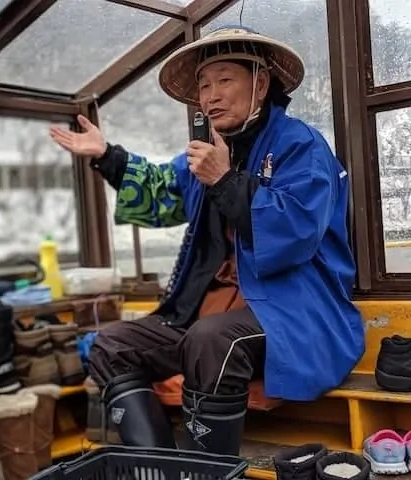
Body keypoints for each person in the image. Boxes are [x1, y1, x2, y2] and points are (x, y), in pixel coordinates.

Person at [48, 26, 365, 456]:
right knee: (112, 344)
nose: (210, 95)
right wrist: (108, 155)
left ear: (260, 83)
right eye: (203, 84)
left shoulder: (300, 146)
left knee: (212, 338)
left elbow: (297, 233)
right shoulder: (204, 152)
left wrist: (225, 179)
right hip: (207, 311)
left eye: (224, 80)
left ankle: (208, 470)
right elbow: (161, 190)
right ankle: (160, 463)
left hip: (294, 312)